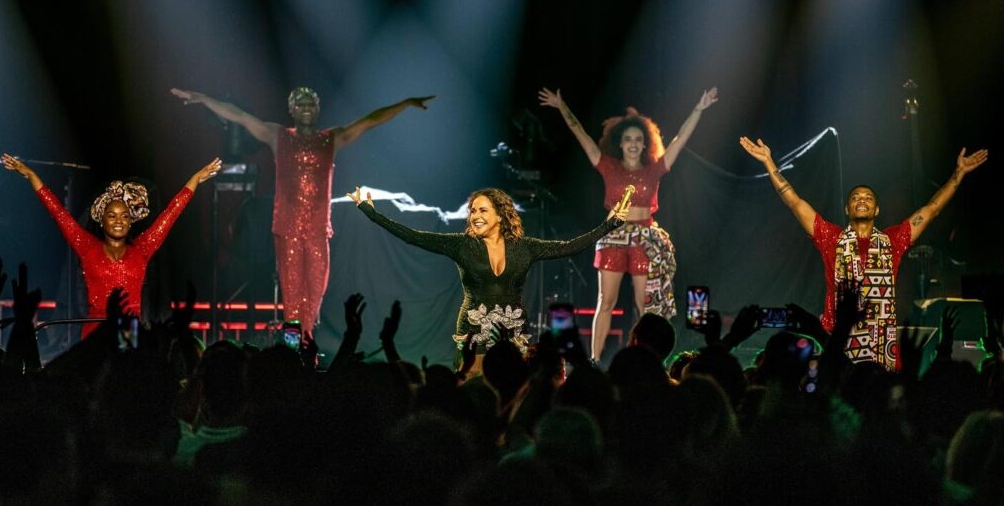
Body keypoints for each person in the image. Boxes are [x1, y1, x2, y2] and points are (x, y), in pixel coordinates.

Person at [171, 87, 434, 335]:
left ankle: (305, 351)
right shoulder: (278, 136)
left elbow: (369, 121)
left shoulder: (332, 138)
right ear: (292, 110)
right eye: (300, 104)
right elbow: (239, 116)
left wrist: (404, 104)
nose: (306, 108)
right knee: (293, 303)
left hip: (319, 231)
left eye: (311, 104)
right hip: (288, 231)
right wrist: (204, 99)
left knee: (314, 300)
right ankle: (294, 350)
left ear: (317, 109)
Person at [739, 136, 988, 370]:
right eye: (855, 197)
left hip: (882, 347)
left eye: (868, 197)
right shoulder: (832, 239)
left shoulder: (893, 240)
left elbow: (931, 210)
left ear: (877, 209)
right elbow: (795, 203)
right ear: (847, 208)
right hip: (841, 345)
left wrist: (959, 173)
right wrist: (769, 163)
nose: (861, 199)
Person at [348, 186, 630, 368]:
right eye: (472, 211)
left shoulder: (525, 247)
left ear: (500, 215)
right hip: (474, 327)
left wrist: (611, 224)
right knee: (474, 384)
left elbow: (570, 246)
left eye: (482, 210)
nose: (474, 216)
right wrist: (371, 214)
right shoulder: (460, 245)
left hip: (515, 330)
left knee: (513, 386)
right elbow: (412, 236)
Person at [539, 87, 719, 364]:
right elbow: (583, 138)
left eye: (638, 139)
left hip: (646, 237)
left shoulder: (654, 168)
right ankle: (594, 360)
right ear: (619, 143)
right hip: (614, 234)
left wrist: (699, 108)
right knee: (606, 301)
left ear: (644, 143)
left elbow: (680, 139)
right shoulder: (608, 165)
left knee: (643, 306)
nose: (633, 144)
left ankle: (647, 359)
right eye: (627, 139)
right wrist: (563, 107)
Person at [1, 153, 221, 337]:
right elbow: (58, 213)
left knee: (123, 380)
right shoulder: (87, 247)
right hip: (94, 328)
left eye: (124, 216)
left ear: (131, 221)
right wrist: (31, 175)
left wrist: (195, 180)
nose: (119, 221)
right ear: (101, 218)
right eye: (112, 216)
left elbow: (171, 213)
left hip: (128, 328)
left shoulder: (143, 248)